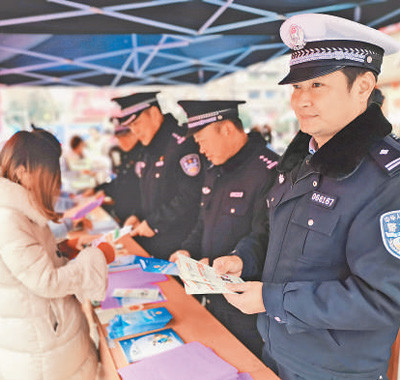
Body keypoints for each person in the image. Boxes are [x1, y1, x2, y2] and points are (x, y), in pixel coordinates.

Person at [213, 13, 400, 380]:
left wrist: (271, 299)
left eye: (317, 85)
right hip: (277, 352)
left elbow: (383, 300)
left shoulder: (386, 180)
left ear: (363, 86)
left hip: (335, 371)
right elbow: (275, 234)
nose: (301, 101)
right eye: (297, 87)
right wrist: (244, 259)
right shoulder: (303, 157)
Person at [0, 130, 114, 380]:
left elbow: (29, 263)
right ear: (22, 171)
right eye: (50, 174)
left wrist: (60, 249)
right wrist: (96, 258)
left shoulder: (18, 209)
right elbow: (47, 282)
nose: (55, 183)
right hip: (42, 351)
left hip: (46, 341)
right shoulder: (8, 217)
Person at [169, 100, 279, 357]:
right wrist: (187, 249)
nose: (200, 149)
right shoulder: (215, 167)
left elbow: (266, 237)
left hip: (246, 305)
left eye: (202, 139)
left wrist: (233, 259)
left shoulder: (268, 170)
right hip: (212, 296)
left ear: (227, 129)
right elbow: (203, 221)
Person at [115, 92, 203, 259]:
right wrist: (137, 215)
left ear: (154, 114)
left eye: (137, 123)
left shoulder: (182, 144)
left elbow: (190, 196)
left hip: (178, 247)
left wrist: (155, 223)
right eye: (131, 127)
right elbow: (149, 194)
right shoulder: (149, 148)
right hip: (154, 245)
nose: (135, 131)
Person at [84, 118, 143, 225]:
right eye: (117, 137)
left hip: (137, 220)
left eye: (123, 136)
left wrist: (136, 215)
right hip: (123, 216)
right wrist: (99, 190)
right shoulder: (124, 154)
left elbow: (140, 191)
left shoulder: (144, 155)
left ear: (133, 133)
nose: (120, 141)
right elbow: (119, 182)